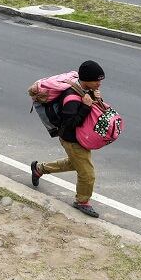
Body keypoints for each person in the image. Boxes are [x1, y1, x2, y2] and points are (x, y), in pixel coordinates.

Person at [29, 60, 107, 218]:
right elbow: (68, 124)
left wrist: (96, 100)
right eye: (96, 80)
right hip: (71, 138)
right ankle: (82, 201)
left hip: (81, 137)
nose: (99, 83)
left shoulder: (85, 90)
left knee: (75, 163)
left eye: (100, 80)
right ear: (86, 80)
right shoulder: (71, 97)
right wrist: (86, 107)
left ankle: (39, 169)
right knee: (87, 173)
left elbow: (94, 111)